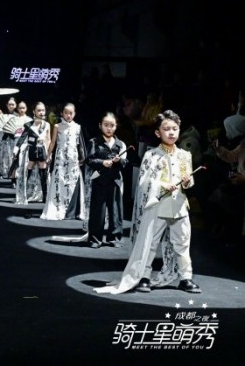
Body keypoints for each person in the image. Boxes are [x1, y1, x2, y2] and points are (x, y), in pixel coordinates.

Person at [95, 109, 201, 294]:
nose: (171, 133)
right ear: (158, 133)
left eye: (174, 129)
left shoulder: (185, 155)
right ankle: (144, 275)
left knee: (182, 242)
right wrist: (163, 185)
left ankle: (186, 278)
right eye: (166, 129)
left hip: (179, 205)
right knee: (150, 242)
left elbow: (189, 181)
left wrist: (187, 181)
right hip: (157, 205)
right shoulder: (151, 155)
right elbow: (143, 182)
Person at [84, 112, 128, 247]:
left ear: (116, 126)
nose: (109, 128)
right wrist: (103, 162)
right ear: (100, 125)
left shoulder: (120, 144)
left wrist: (119, 161)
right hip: (99, 180)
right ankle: (95, 239)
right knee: (98, 210)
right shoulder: (94, 142)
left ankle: (114, 238)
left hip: (115, 180)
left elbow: (125, 163)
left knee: (116, 210)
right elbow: (89, 160)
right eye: (106, 125)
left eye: (112, 125)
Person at [40, 103, 86, 221]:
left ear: (74, 114)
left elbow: (80, 144)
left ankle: (72, 210)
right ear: (62, 113)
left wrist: (82, 158)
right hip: (60, 158)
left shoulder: (78, 127)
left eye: (71, 113)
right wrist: (48, 155)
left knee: (72, 182)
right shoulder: (57, 126)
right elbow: (53, 142)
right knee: (59, 181)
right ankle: (59, 207)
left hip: (73, 158)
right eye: (66, 113)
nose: (68, 115)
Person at [13, 102, 51, 205]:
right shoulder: (29, 125)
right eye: (39, 110)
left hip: (42, 150)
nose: (41, 112)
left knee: (43, 173)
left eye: (43, 110)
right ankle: (24, 194)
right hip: (31, 150)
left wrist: (49, 153)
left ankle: (45, 196)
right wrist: (16, 149)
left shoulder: (47, 125)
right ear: (34, 112)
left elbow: (48, 139)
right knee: (27, 171)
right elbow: (22, 137)